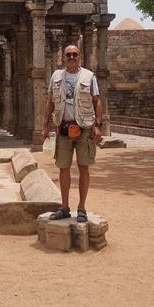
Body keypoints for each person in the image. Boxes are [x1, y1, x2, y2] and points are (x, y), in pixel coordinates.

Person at [42, 44, 102, 223]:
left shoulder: (89, 76)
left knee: (84, 167)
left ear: (80, 56)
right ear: (63, 57)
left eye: (75, 54)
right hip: (63, 128)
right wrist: (44, 125)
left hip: (84, 128)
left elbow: (97, 101)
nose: (72, 57)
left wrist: (98, 125)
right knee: (63, 168)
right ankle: (65, 207)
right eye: (68, 55)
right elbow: (50, 102)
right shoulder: (57, 76)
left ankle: (82, 207)